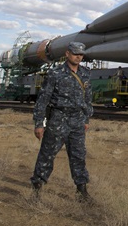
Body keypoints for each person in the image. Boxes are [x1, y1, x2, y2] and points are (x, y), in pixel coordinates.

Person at [30, 41, 93, 202]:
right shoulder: (55, 73)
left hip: (77, 120)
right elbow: (43, 99)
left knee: (78, 156)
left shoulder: (85, 73)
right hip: (58, 119)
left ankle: (82, 191)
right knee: (47, 154)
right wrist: (39, 123)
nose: (78, 57)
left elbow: (87, 98)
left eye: (81, 55)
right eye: (75, 54)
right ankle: (37, 187)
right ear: (67, 54)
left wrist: (86, 118)